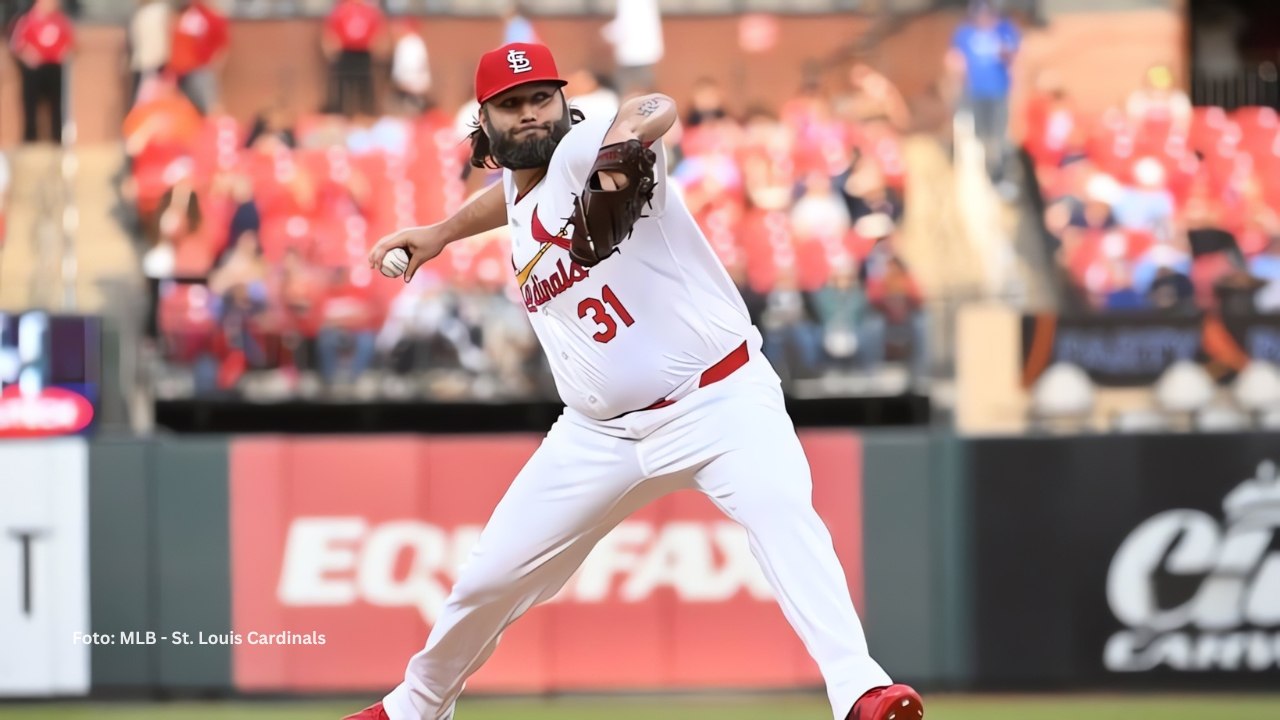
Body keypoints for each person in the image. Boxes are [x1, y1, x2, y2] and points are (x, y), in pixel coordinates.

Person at [353, 41, 924, 720]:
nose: (532, 114)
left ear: (564, 102)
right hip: (597, 436)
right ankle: (415, 706)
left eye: (542, 97)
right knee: (489, 577)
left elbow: (652, 108)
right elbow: (507, 201)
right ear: (486, 123)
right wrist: (443, 232)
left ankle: (861, 689)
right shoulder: (520, 180)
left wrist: (623, 142)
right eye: (513, 105)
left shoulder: (582, 145)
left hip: (719, 401)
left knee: (784, 518)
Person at [947, 0, 1019, 185]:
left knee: (999, 134)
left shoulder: (1004, 30)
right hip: (974, 92)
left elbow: (1014, 56)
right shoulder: (965, 33)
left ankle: (999, 173)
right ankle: (984, 172)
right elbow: (955, 59)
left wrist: (1001, 47)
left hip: (998, 91)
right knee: (979, 134)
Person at [8, 0, 75, 144]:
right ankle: (30, 138)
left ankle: (57, 138)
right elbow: (16, 45)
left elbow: (70, 43)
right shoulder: (27, 20)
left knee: (56, 104)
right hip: (34, 69)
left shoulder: (60, 21)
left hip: (54, 67)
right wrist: (27, 55)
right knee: (30, 104)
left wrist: (64, 53)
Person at [323, 0, 387, 117]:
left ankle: (366, 113)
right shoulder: (340, 10)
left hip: (364, 53)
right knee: (343, 85)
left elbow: (378, 33)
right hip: (345, 53)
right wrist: (331, 46)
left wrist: (378, 46)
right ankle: (341, 114)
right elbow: (331, 32)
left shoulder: (370, 12)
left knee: (365, 85)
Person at [169, 0, 230, 115]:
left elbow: (221, 46)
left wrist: (214, 67)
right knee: (187, 107)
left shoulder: (210, 17)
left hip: (201, 68)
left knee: (210, 106)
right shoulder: (187, 15)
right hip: (183, 70)